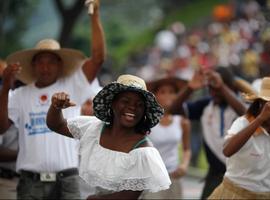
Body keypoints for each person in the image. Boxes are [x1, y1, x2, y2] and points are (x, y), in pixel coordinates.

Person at [0, 0, 105, 199]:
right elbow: (1, 128)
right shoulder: (20, 95)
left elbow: (98, 58)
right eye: (41, 62)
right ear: (33, 65)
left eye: (51, 62)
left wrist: (95, 16)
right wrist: (5, 87)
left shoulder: (73, 85)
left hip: (68, 179)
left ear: (60, 65)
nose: (45, 67)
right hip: (30, 182)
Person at [46, 74, 171, 199]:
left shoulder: (144, 151)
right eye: (125, 101)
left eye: (139, 105)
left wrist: (95, 199)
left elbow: (129, 196)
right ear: (112, 103)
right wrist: (55, 107)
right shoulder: (93, 128)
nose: (132, 107)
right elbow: (56, 125)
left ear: (144, 111)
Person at [169, 67, 247, 199]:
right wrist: (190, 88)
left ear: (230, 88)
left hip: (240, 175)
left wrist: (221, 87)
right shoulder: (205, 106)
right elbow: (174, 109)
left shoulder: (240, 105)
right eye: (210, 88)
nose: (213, 93)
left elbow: (247, 116)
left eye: (217, 88)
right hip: (215, 175)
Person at [208, 77, 270, 199]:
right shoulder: (243, 123)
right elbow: (227, 150)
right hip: (234, 194)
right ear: (260, 104)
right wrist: (260, 120)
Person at [142, 76, 191, 199]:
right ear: (155, 96)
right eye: (163, 92)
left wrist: (184, 165)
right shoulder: (146, 121)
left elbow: (187, 149)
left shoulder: (181, 122)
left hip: (174, 177)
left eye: (172, 92)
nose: (168, 95)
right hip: (152, 178)